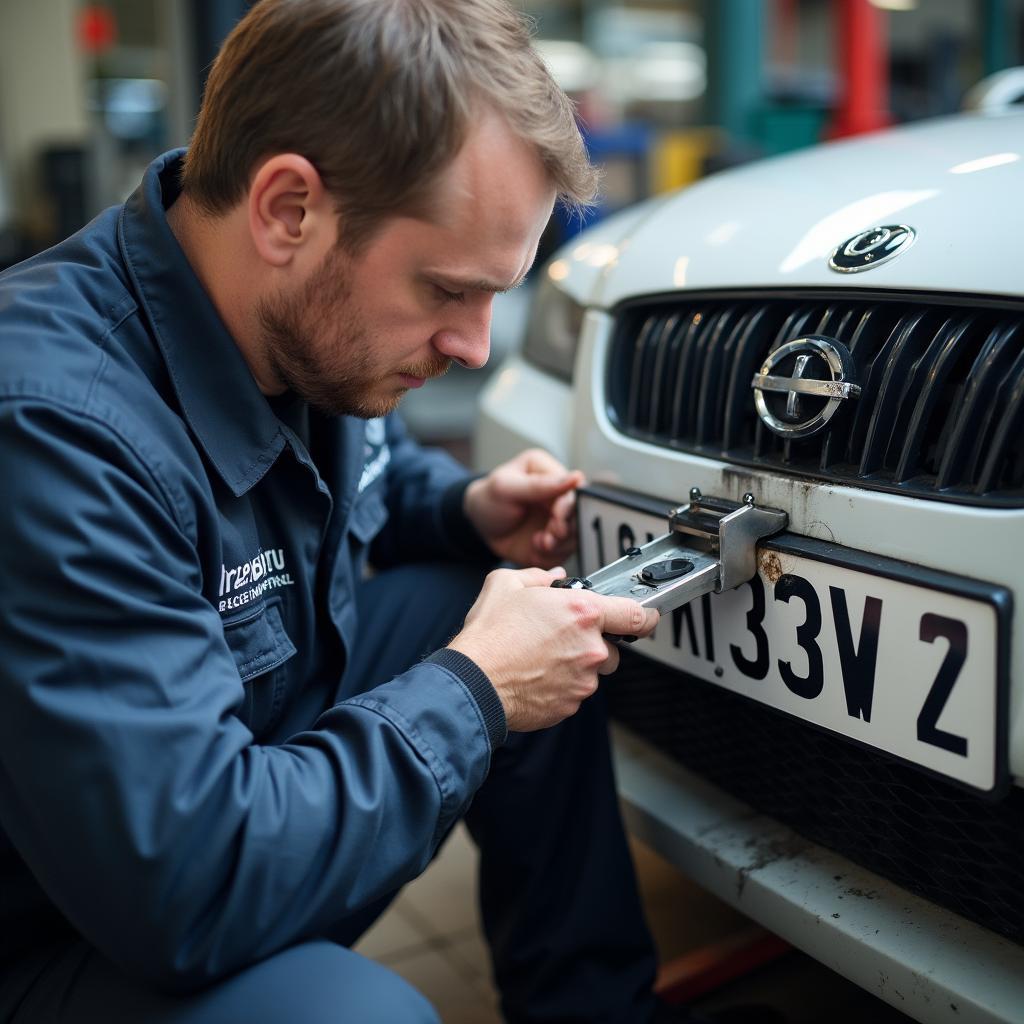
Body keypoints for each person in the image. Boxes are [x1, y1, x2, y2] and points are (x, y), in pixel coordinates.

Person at [0, 3, 776, 1023]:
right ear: (287, 209)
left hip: (237, 786)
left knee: (524, 610)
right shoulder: (54, 431)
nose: (476, 347)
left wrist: (463, 510)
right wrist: (477, 689)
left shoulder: (300, 329)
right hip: (74, 927)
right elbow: (187, 885)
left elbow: (370, 481)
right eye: (449, 289)